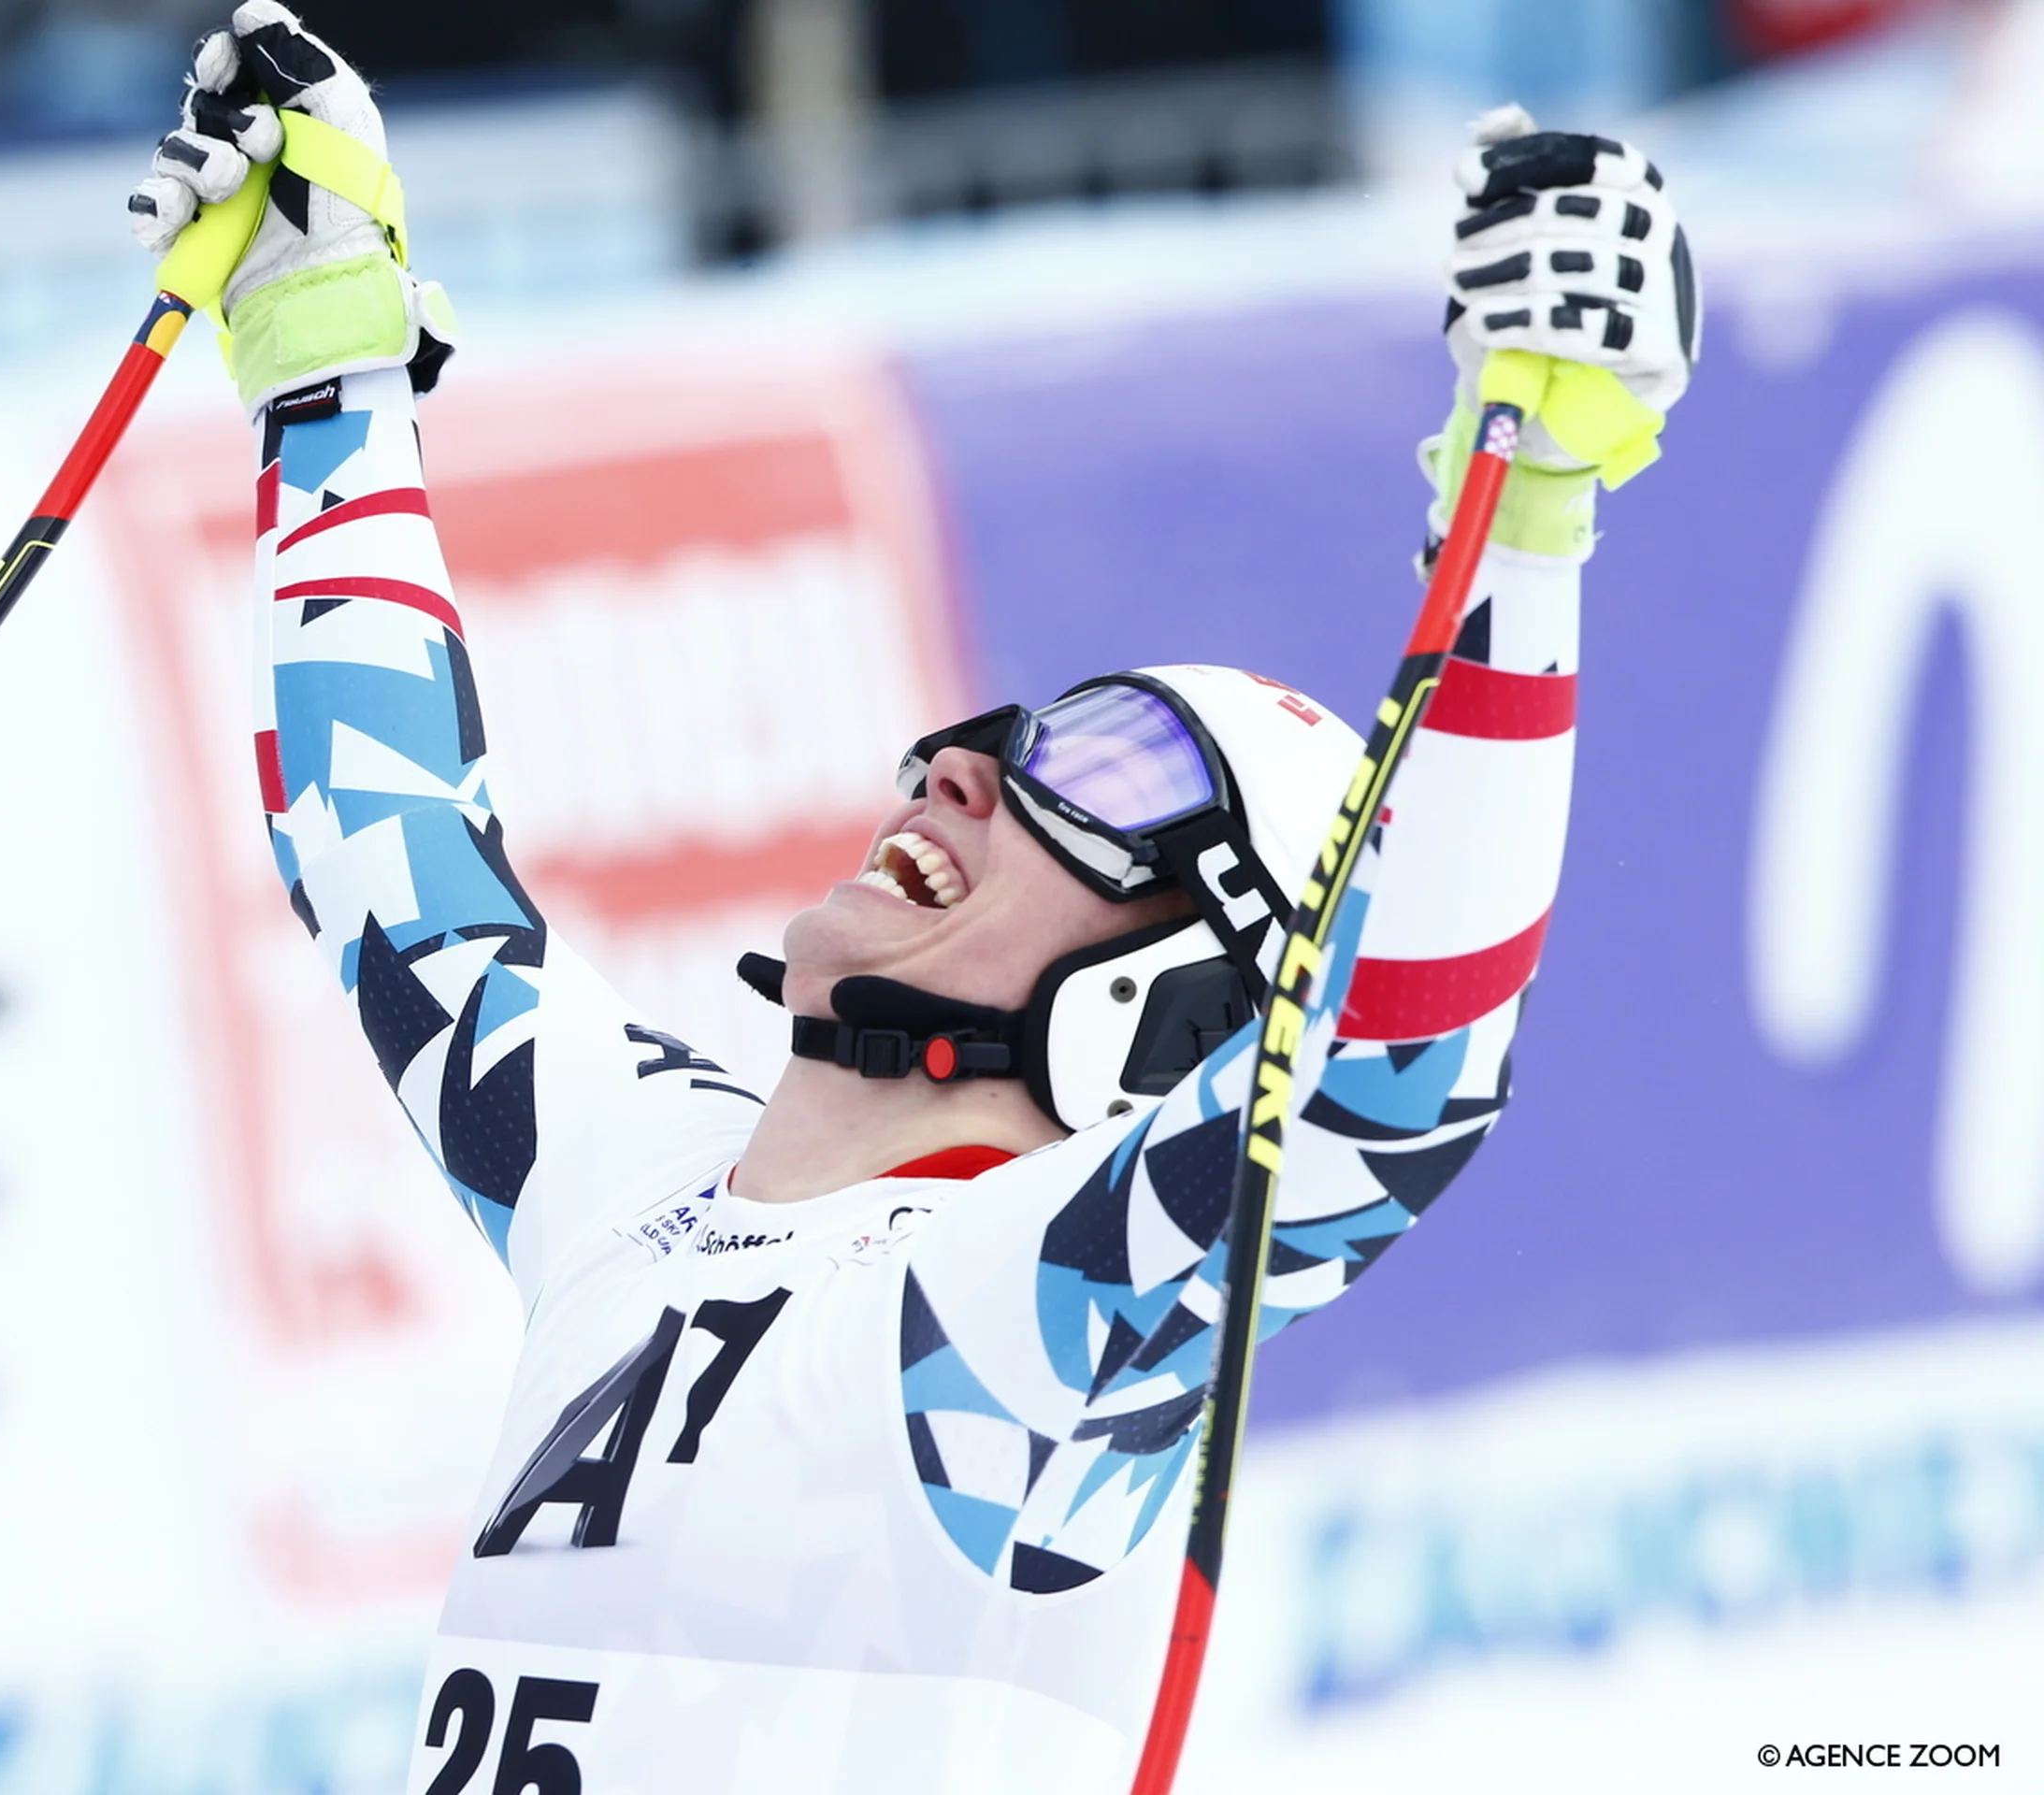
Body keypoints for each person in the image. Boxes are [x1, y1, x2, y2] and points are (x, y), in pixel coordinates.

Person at [128, 10, 1697, 1788]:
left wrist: (1536, 512)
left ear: (1173, 1007)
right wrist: (325, 366)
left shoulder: (1026, 1319)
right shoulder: (629, 1177)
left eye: (1103, 772)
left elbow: (1402, 1082)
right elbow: (399, 876)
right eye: (1009, 732)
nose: (960, 764)